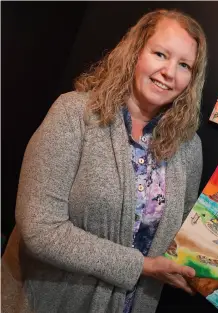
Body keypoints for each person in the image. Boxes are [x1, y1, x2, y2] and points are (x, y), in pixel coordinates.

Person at [1, 8, 207, 313]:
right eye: (161, 54)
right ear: (136, 51)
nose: (169, 72)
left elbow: (183, 236)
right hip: (50, 301)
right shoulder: (74, 114)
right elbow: (40, 229)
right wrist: (143, 267)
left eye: (184, 65)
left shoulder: (189, 148)